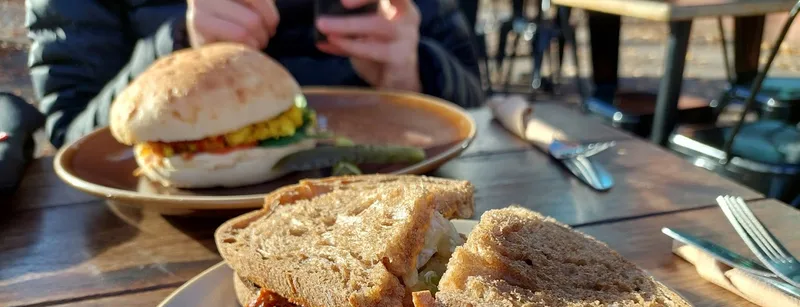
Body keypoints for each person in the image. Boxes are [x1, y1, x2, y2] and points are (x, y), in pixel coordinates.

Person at [26, 0, 483, 149]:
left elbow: (473, 90)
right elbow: (71, 132)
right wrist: (178, 46)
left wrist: (412, 72)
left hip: (393, 186)